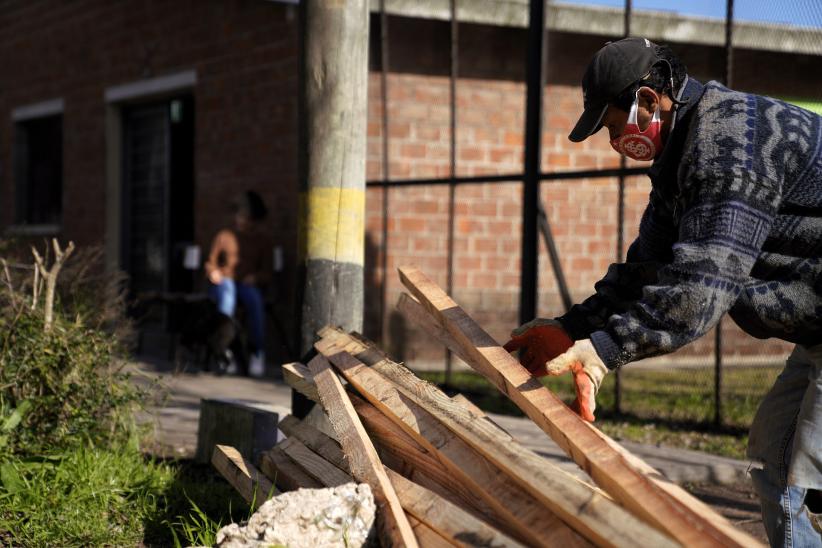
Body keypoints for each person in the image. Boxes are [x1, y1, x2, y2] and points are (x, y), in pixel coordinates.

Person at [504, 37, 822, 546]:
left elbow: (701, 285)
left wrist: (604, 352)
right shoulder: (682, 156)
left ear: (650, 102)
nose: (613, 142)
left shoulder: (730, 145)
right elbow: (646, 268)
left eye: (612, 125)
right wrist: (570, 330)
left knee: (797, 473)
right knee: (778, 463)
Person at [205, 191, 272, 378]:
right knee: (227, 294)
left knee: (255, 300)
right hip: (224, 283)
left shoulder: (263, 241)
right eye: (240, 216)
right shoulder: (224, 236)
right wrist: (213, 272)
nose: (242, 221)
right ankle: (226, 351)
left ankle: (257, 352)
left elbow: (267, 273)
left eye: (247, 218)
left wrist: (256, 277)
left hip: (246, 284)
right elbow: (211, 262)